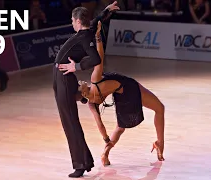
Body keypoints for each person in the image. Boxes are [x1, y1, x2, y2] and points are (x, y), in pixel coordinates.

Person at [63, 21, 165, 167]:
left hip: (120, 96)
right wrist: (98, 37)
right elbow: (100, 58)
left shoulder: (92, 103)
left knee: (120, 127)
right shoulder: (95, 80)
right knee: (159, 108)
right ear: (82, 91)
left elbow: (100, 125)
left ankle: (105, 154)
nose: (80, 81)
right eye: (79, 84)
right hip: (129, 87)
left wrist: (106, 141)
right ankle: (160, 143)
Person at [53, 2, 119, 178]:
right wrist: (107, 10)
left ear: (77, 21)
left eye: (72, 21)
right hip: (61, 80)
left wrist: (77, 66)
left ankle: (80, 165)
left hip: (65, 79)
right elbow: (97, 20)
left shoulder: (83, 37)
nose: (72, 23)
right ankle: (81, 94)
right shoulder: (87, 32)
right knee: (69, 120)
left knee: (70, 122)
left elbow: (96, 59)